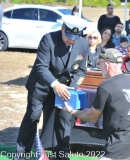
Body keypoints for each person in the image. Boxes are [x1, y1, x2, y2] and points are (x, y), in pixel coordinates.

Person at [15, 15, 90, 159]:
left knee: (64, 117)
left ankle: (60, 154)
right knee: (33, 116)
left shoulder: (83, 44)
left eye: (76, 37)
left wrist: (71, 88)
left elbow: (81, 70)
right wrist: (55, 84)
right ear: (62, 28)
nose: (72, 40)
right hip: (41, 85)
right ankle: (22, 153)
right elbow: (41, 67)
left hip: (64, 88)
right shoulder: (48, 39)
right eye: (69, 36)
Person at [63, 48, 130, 160]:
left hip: (119, 141)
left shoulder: (106, 86)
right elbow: (113, 111)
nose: (99, 67)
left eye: (99, 63)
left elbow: (93, 118)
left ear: (107, 64)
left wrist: (71, 111)